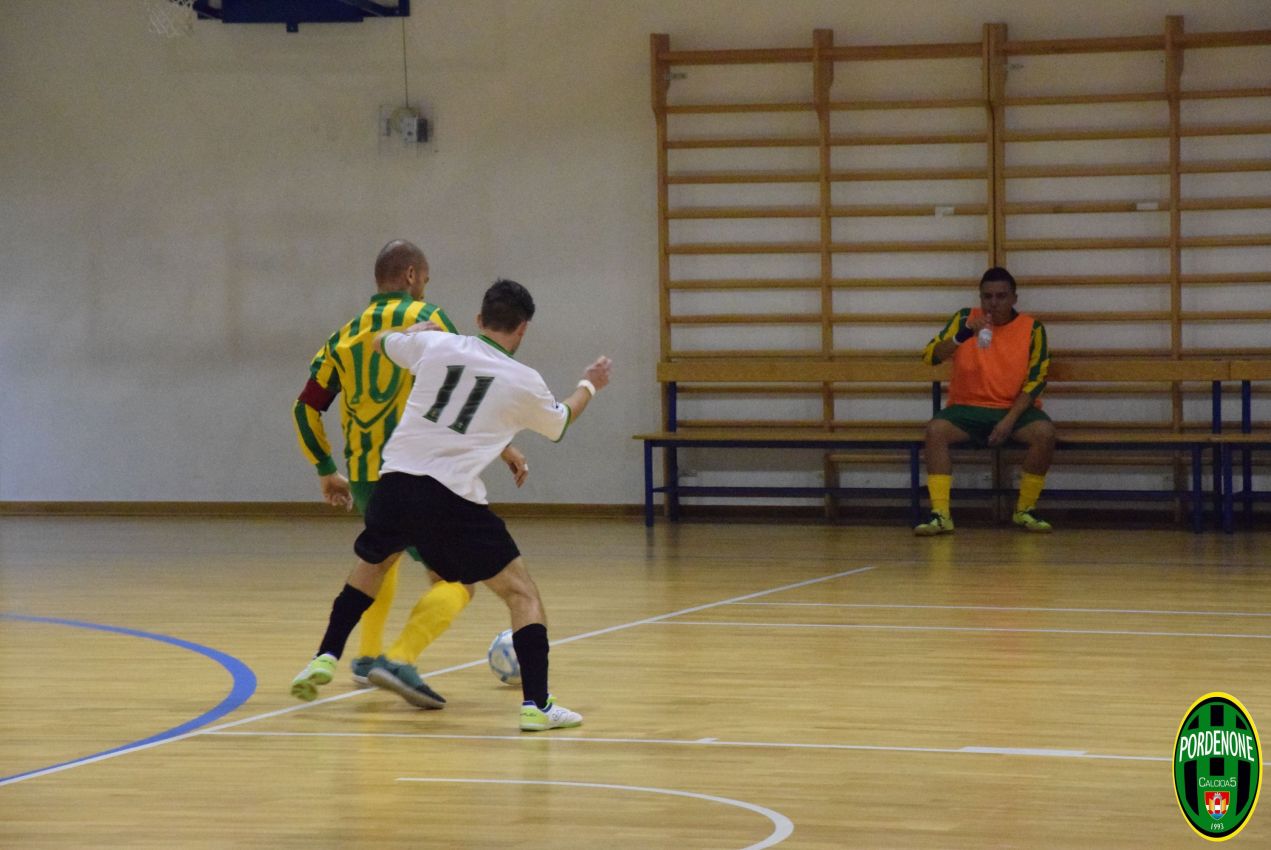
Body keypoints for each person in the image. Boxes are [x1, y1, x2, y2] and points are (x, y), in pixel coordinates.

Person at [291, 278, 612, 731]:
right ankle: (537, 706)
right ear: (523, 328)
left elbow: (381, 343)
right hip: (450, 499)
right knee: (521, 594)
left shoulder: (437, 345)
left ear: (479, 319)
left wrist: (411, 332)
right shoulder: (524, 381)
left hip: (394, 483)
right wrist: (589, 385)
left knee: (371, 568)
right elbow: (560, 423)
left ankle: (325, 655)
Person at [291, 240, 528, 692]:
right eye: (426, 280)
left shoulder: (344, 336)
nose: (425, 288)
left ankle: (364, 657)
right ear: (412, 276)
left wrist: (324, 467)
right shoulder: (430, 318)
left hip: (365, 476)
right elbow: (467, 386)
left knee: (381, 561)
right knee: (454, 580)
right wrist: (505, 447)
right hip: (421, 473)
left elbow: (305, 408)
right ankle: (400, 659)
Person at [914, 266, 1055, 536]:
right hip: (966, 408)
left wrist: (1009, 420)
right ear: (980, 298)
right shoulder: (965, 319)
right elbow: (930, 356)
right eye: (987, 296)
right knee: (935, 431)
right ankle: (941, 514)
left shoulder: (1032, 329)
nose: (993, 303)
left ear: (1014, 298)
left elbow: (1036, 380)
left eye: (1001, 296)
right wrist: (963, 334)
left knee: (1045, 433)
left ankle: (1025, 510)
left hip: (1013, 410)